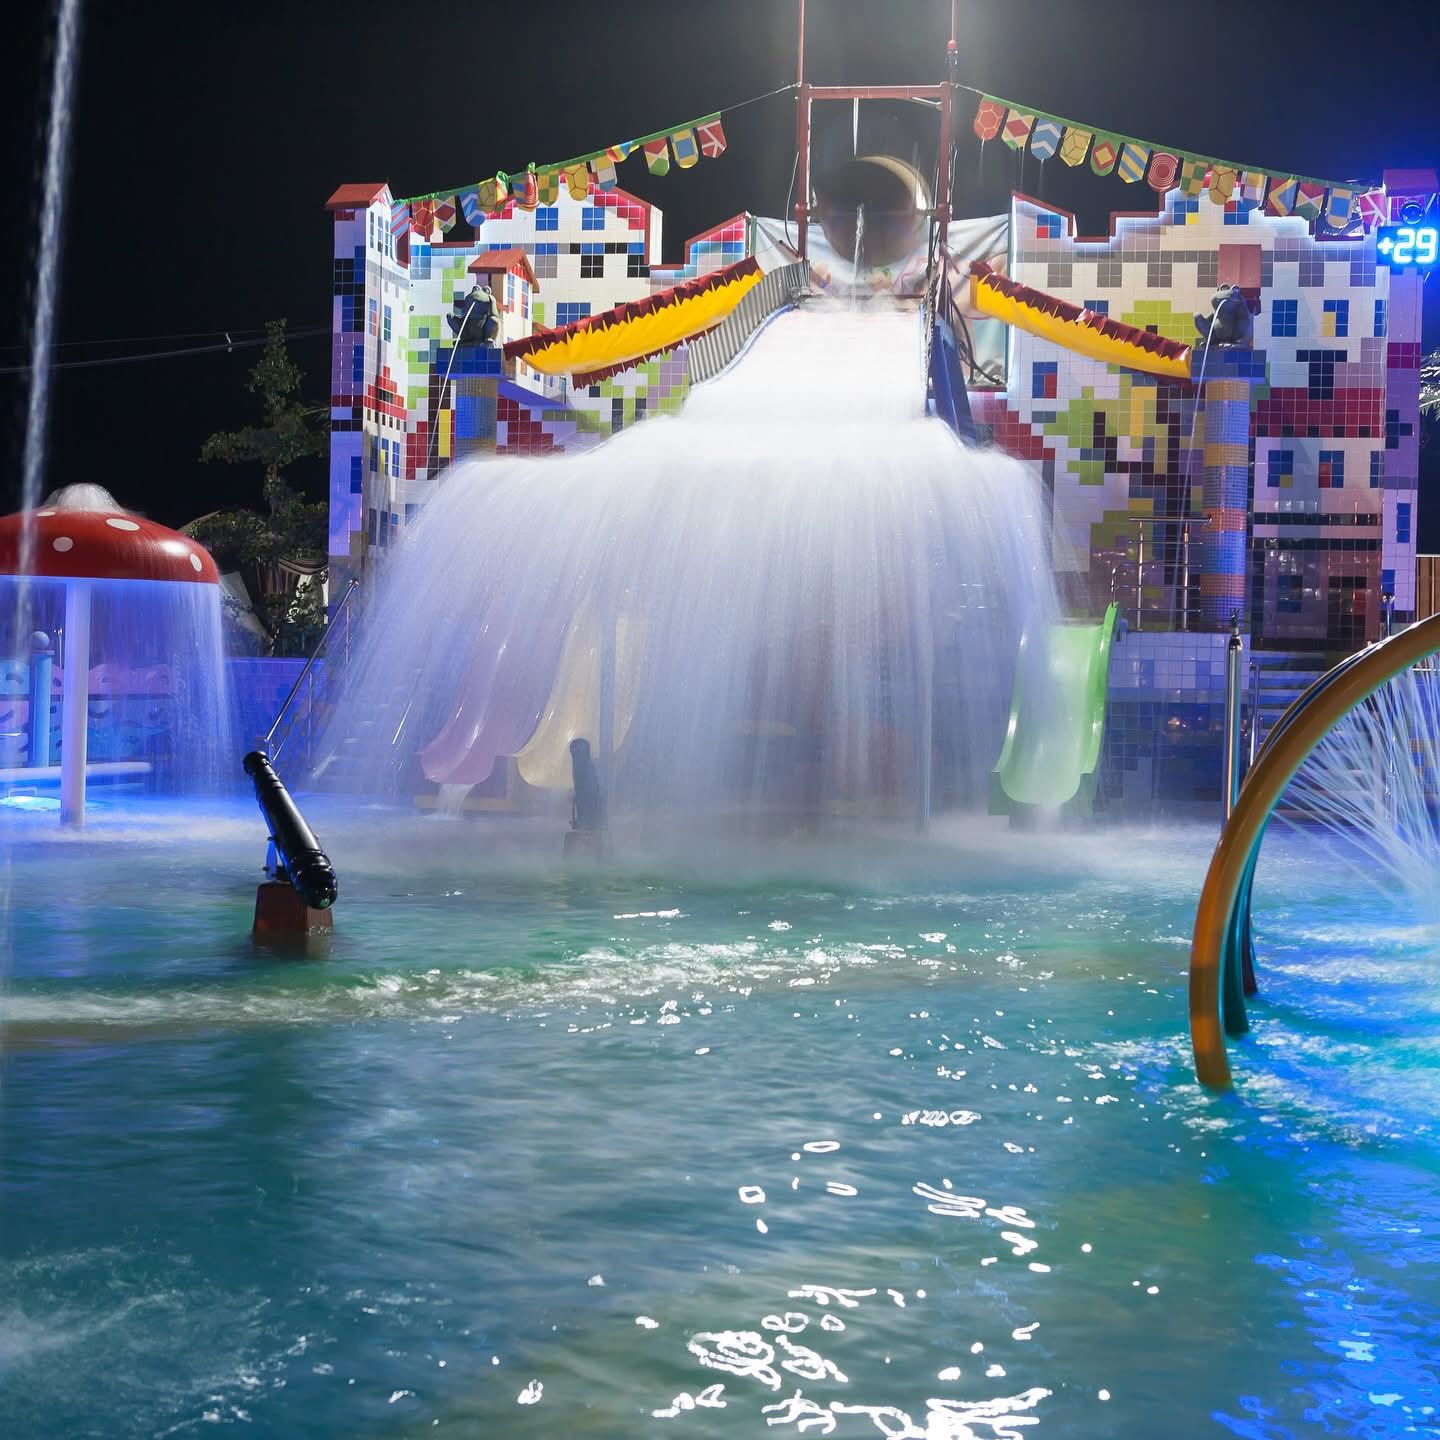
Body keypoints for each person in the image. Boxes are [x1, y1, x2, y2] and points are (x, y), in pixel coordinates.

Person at [569, 737, 604, 832]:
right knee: (581, 801)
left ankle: (587, 822)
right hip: (583, 796)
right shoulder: (578, 763)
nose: (578, 753)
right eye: (577, 751)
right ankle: (585, 821)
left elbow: (591, 787)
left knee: (585, 801)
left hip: (588, 798)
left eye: (580, 751)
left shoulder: (586, 765)